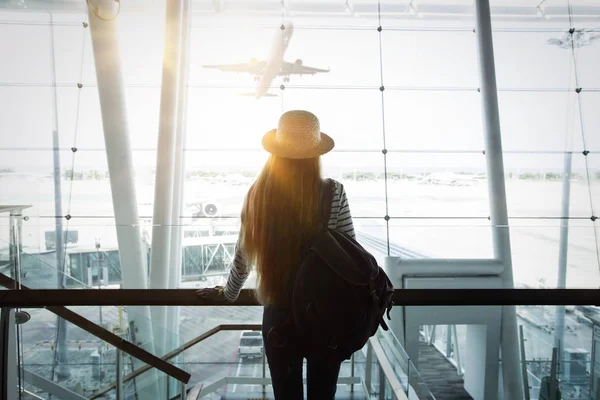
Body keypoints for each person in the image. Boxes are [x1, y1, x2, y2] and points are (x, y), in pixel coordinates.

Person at [197, 110, 355, 399]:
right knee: (323, 394)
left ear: (276, 152)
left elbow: (243, 258)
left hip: (279, 314)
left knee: (286, 395)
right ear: (316, 154)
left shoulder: (259, 194)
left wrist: (229, 294)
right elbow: (351, 252)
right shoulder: (334, 192)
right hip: (324, 315)